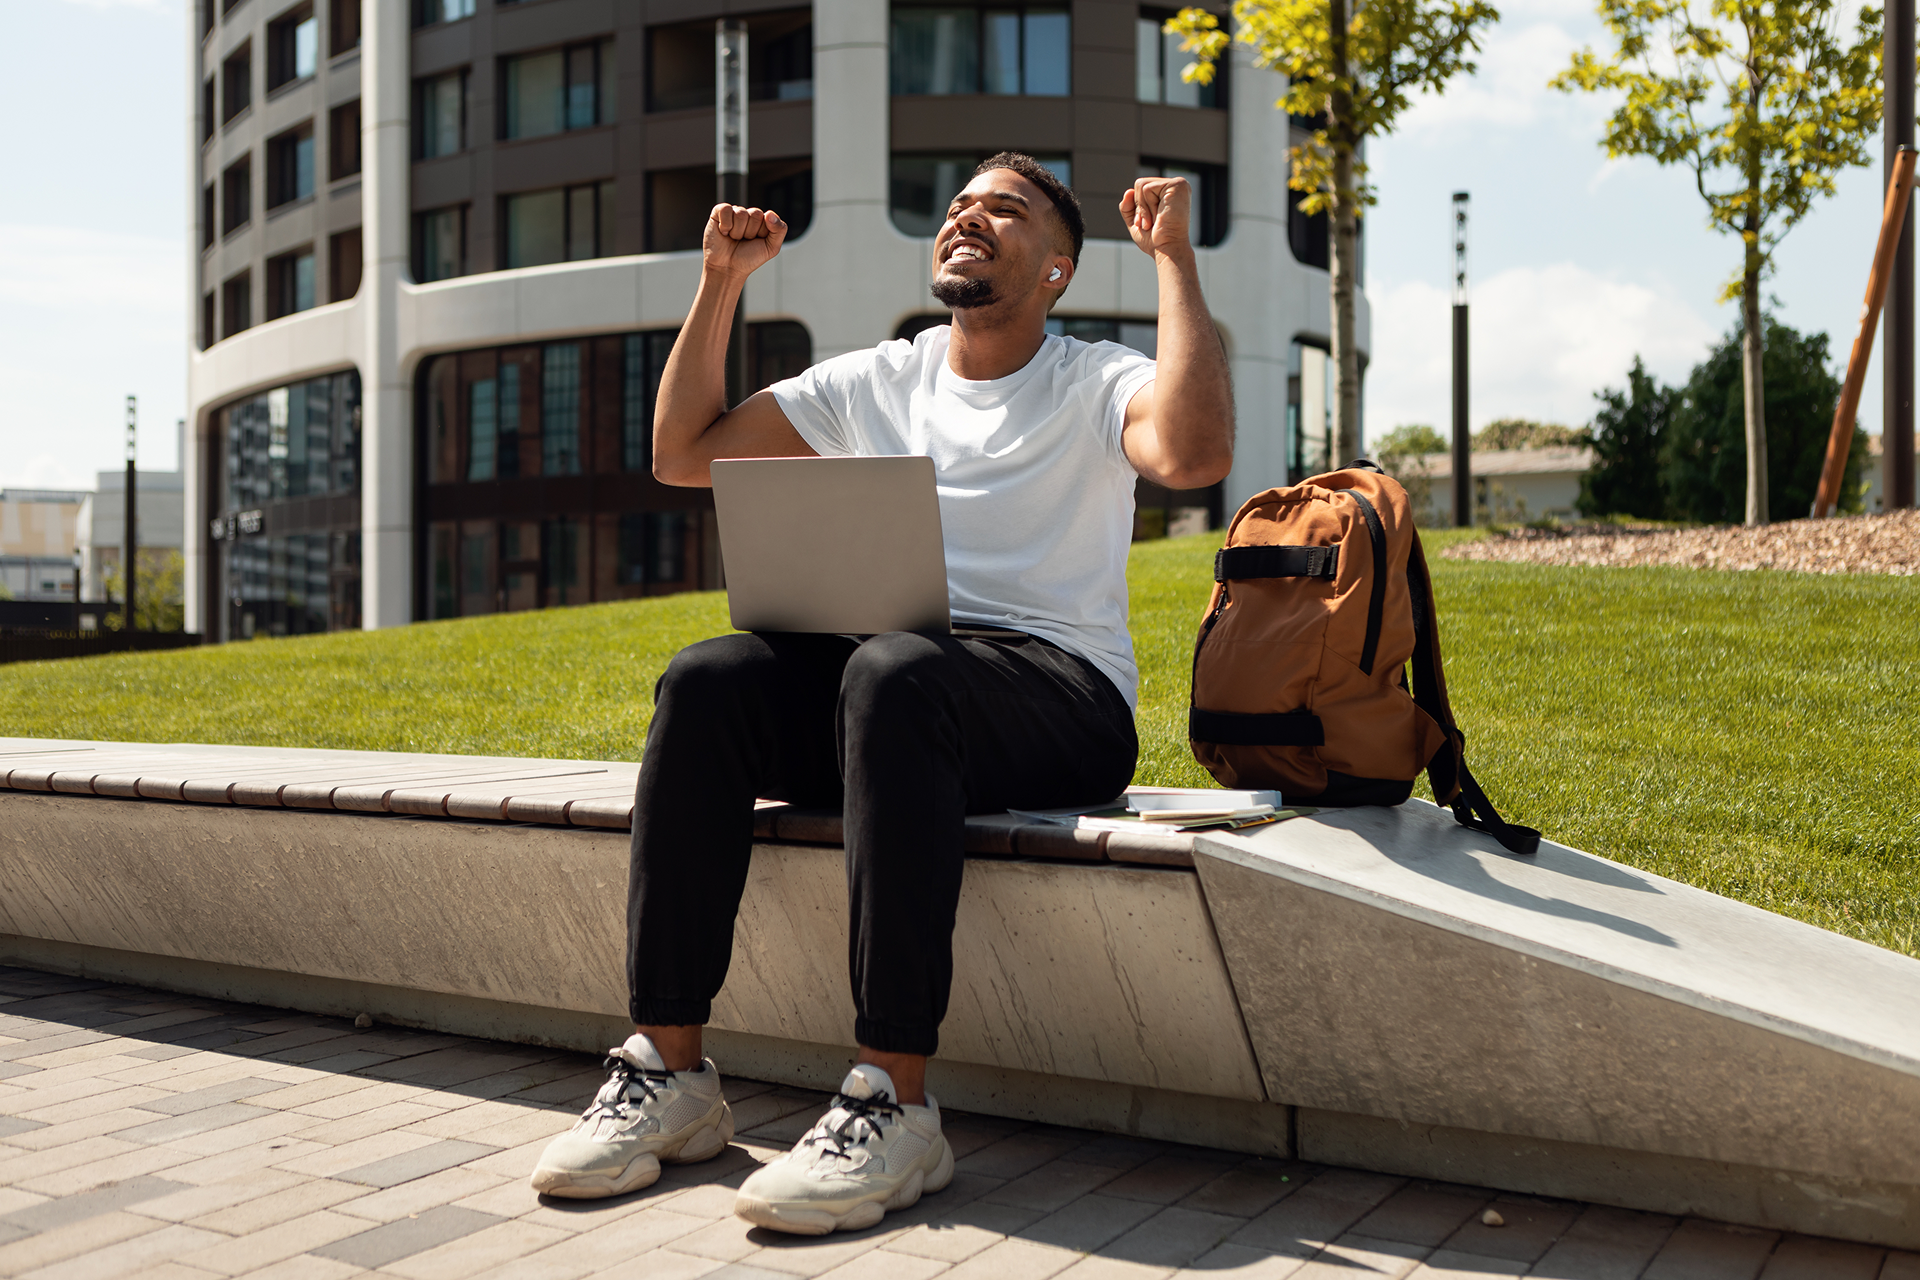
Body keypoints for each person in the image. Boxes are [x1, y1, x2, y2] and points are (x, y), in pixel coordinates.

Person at [529, 151, 1234, 1234]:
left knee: (894, 668)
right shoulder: (883, 377)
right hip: (898, 686)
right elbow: (683, 453)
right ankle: (671, 1074)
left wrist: (1175, 263)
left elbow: (1192, 451)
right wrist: (722, 281)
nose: (970, 219)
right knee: (711, 677)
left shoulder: (1092, 377)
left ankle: (895, 1101)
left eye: (1006, 210)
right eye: (959, 206)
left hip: (1058, 695)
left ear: (1056, 268)